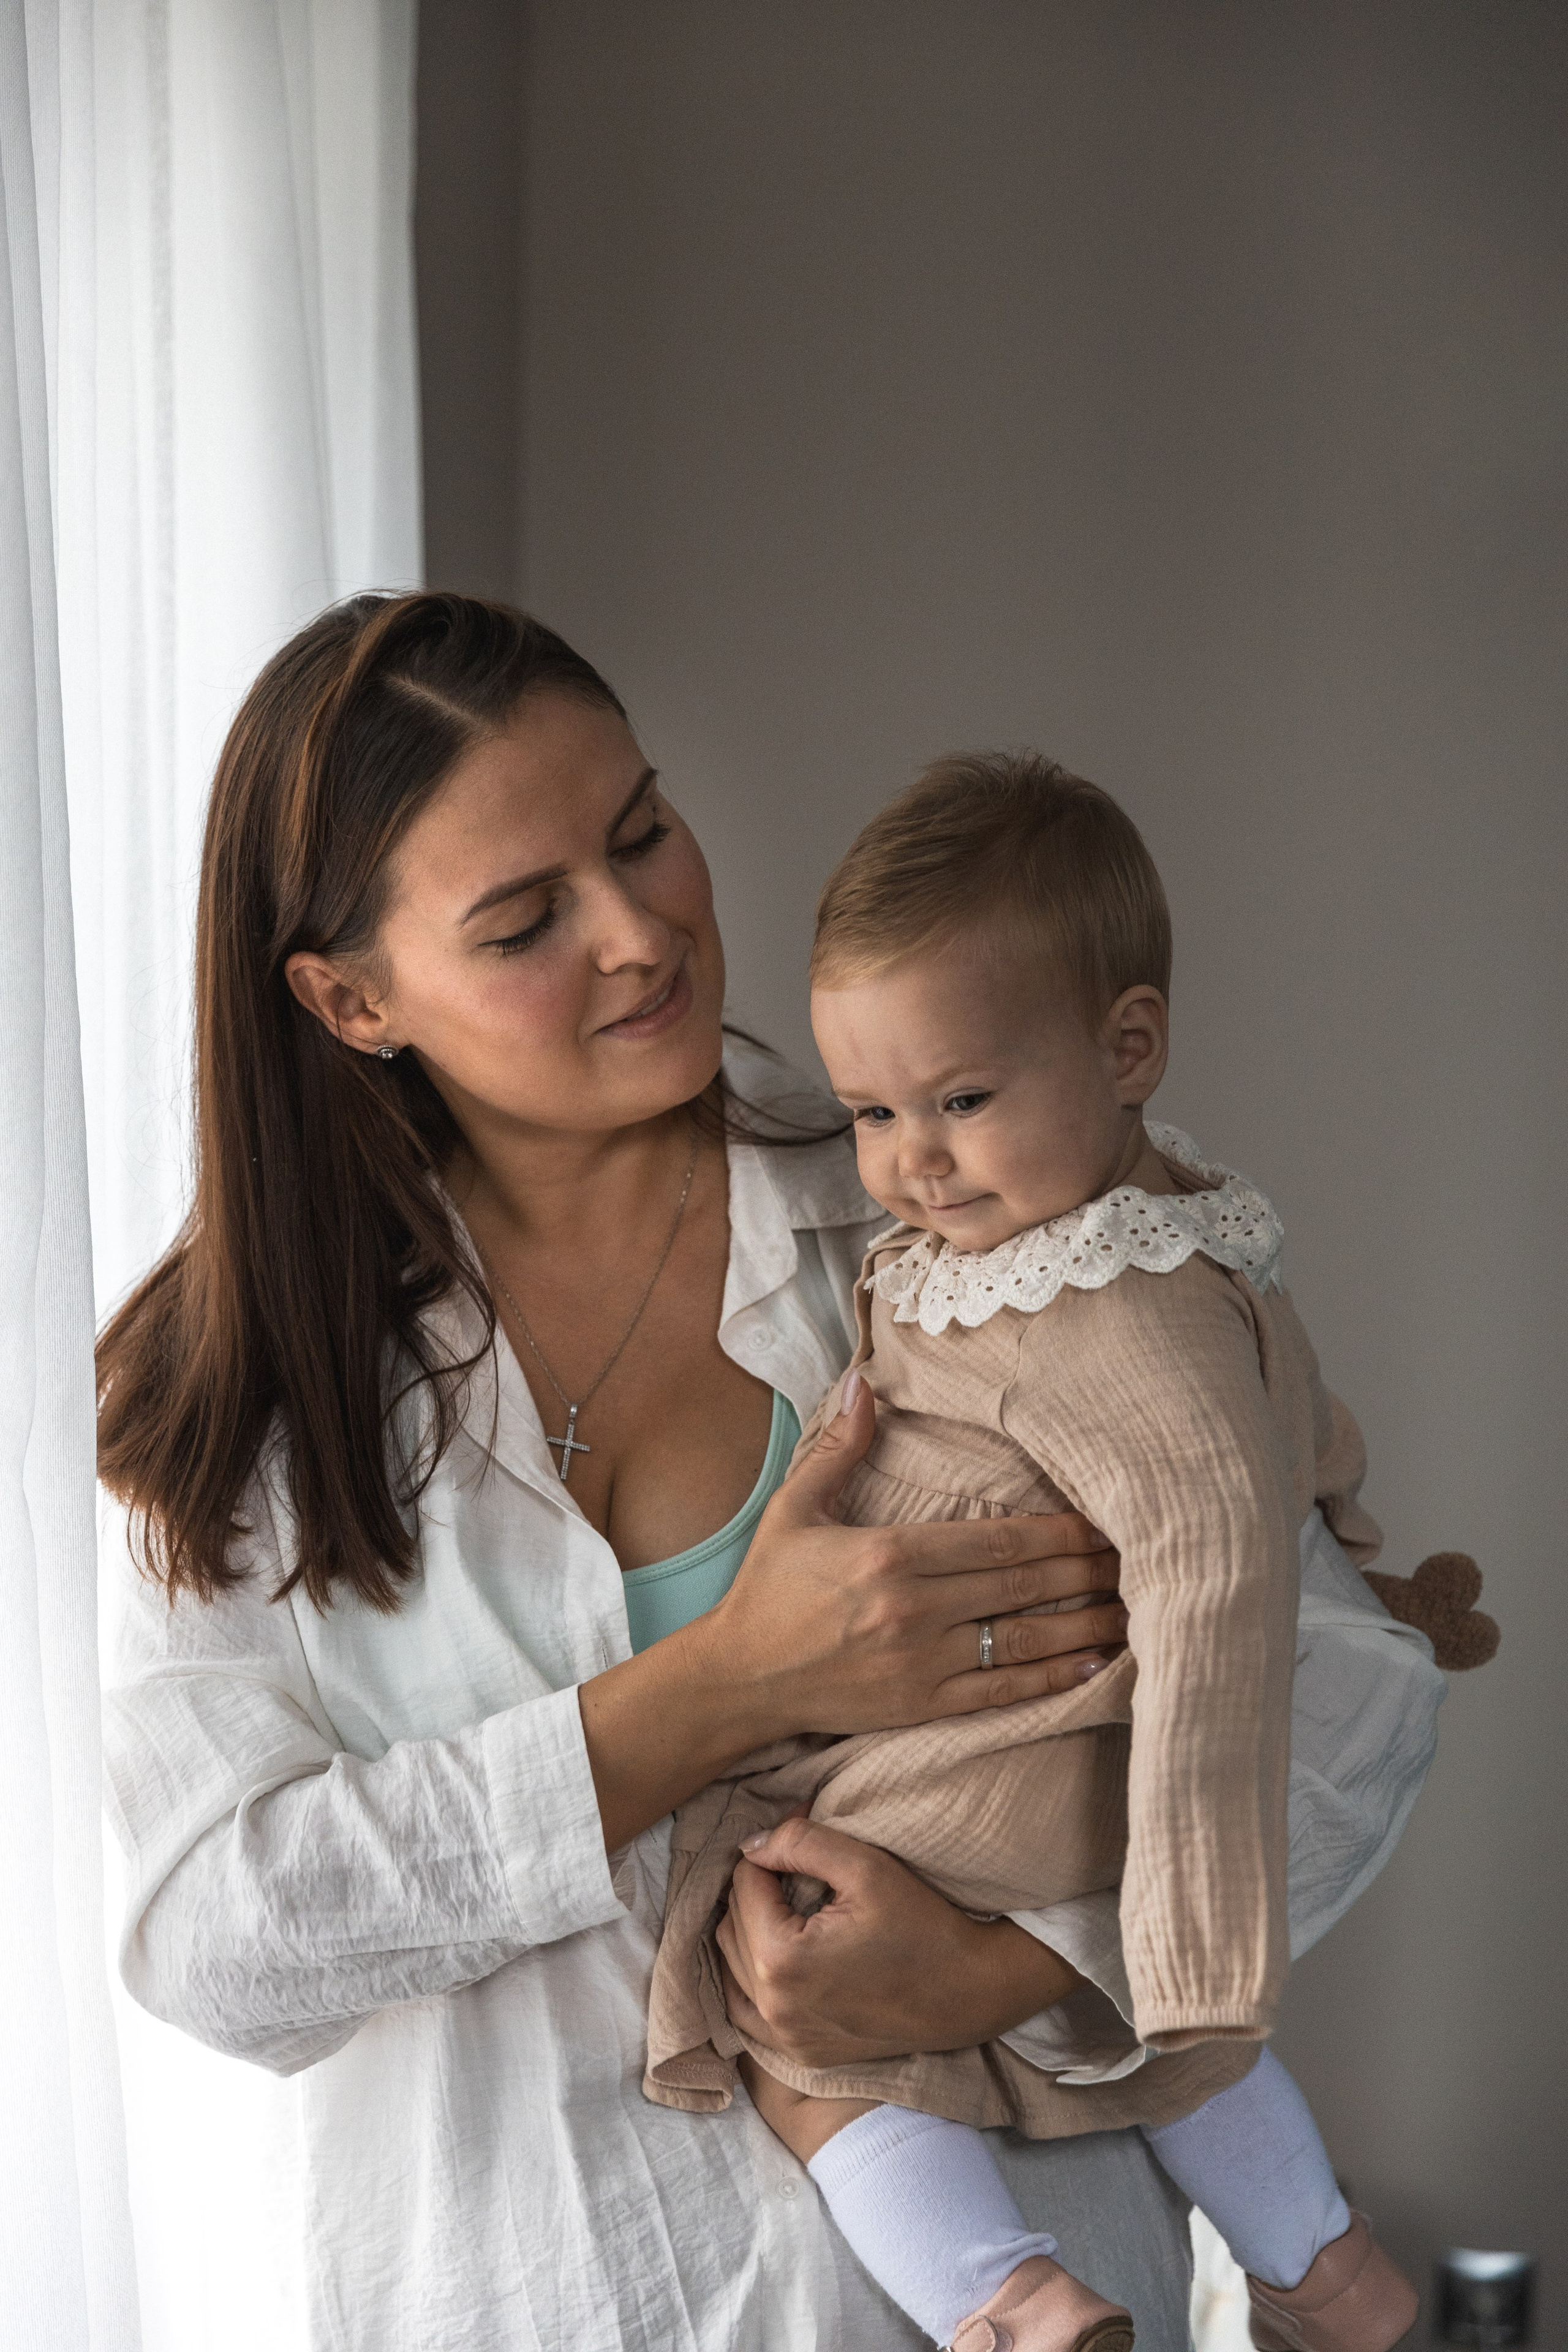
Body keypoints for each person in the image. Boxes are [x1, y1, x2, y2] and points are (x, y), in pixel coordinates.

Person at [97, 594, 1441, 2352]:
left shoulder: (973, 1216)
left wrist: (1017, 1969)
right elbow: (218, 1943)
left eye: (643, 831)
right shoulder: (242, 1404)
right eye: (524, 921)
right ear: (352, 999)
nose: (642, 933)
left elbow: (1349, 1691)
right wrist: (722, 1694)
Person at [646, 754, 1430, 2352]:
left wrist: (1193, 1941)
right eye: (871, 1111)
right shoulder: (1150, 1232)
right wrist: (1352, 1513)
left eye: (962, 1100)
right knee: (1124, 2027)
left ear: (1126, 1044)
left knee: (802, 2027)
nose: (911, 1164)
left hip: (995, 1755)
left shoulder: (1107, 1314)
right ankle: (1329, 2272)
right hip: (1031, 1754)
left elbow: (1215, 1577)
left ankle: (1006, 2300)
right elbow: (1295, 1416)